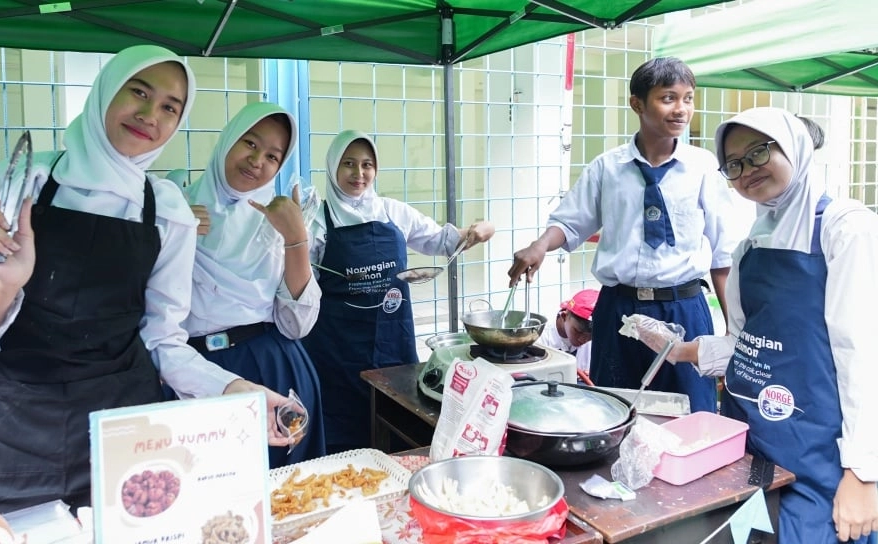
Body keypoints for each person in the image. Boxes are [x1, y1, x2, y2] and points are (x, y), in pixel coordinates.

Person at [0, 45, 293, 520]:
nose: (150, 115)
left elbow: (163, 340)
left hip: (122, 430)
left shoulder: (166, 209)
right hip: (13, 426)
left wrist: (235, 390)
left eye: (170, 107)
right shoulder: (23, 182)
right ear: (106, 91)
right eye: (139, 92)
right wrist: (7, 286)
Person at [633, 107, 878, 544]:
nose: (747, 170)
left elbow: (867, 355)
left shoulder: (847, 229)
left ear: (794, 148)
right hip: (753, 444)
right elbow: (747, 344)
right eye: (733, 163)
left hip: (818, 454)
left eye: (758, 152)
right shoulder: (750, 245)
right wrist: (676, 349)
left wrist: (862, 473)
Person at [507, 57, 740, 414]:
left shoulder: (703, 167)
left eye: (688, 99)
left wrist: (733, 330)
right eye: (668, 98)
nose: (681, 109)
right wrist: (540, 245)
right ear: (637, 104)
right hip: (619, 309)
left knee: (690, 411)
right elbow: (570, 223)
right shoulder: (607, 168)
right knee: (615, 410)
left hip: (683, 309)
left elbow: (723, 256)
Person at [302, 129, 495, 454]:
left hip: (392, 342)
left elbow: (443, 241)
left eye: (367, 164)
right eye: (348, 163)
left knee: (397, 430)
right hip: (335, 350)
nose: (358, 173)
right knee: (343, 441)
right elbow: (302, 288)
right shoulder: (317, 223)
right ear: (333, 167)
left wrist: (479, 229)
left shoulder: (394, 212)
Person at [179, 102, 326, 468]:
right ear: (228, 140)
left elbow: (297, 325)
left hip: (271, 368)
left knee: (287, 490)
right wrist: (171, 230)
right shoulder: (175, 206)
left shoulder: (276, 219)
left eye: (273, 156)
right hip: (193, 372)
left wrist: (296, 238)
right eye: (250, 143)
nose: (257, 161)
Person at [538, 288, 598, 379]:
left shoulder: (600, 338)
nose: (583, 340)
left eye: (590, 336)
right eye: (578, 331)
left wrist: (595, 375)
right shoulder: (540, 338)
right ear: (564, 316)